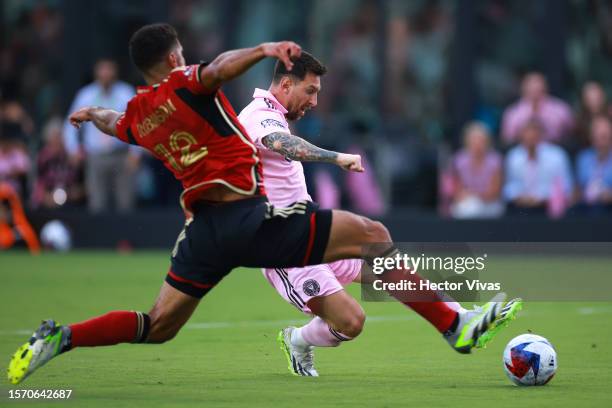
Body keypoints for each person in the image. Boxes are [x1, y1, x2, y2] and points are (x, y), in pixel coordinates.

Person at [8, 23, 521, 385]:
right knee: (373, 237)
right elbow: (247, 107)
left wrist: (94, 112)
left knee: (157, 325)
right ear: (172, 60)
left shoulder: (139, 116)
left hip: (204, 234)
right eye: (184, 54)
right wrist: (262, 49)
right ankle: (455, 328)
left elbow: (113, 123)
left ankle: (63, 337)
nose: (190, 61)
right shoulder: (192, 86)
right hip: (254, 222)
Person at [62, 58, 138, 213]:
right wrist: (73, 149)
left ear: (115, 72)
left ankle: (126, 237)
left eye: (109, 70)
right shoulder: (86, 95)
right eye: (102, 70)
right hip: (96, 156)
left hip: (121, 155)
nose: (105, 74)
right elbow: (69, 125)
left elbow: (138, 123)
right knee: (97, 204)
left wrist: (135, 153)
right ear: (96, 73)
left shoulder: (125, 93)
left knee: (126, 204)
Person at [504, 120, 573, 216]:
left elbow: (565, 186)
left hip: (549, 208)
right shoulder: (514, 156)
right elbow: (510, 186)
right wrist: (520, 197)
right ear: (521, 136)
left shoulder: (557, 155)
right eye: (527, 135)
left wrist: (541, 198)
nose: (531, 139)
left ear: (541, 135)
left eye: (534, 135)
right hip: (521, 208)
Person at [501, 72, 574, 145]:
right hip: (523, 152)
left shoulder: (561, 109)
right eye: (531, 86)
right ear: (523, 88)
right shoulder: (513, 113)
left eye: (538, 85)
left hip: (556, 149)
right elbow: (508, 139)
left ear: (545, 87)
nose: (535, 88)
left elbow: (571, 133)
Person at [450, 122, 504, 219]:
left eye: (481, 141)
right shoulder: (459, 160)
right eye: (474, 140)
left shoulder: (495, 160)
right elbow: (457, 191)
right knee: (467, 208)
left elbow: (494, 193)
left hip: (490, 204)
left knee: (474, 208)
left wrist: (473, 196)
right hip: (467, 203)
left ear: (487, 142)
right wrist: (468, 198)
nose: (477, 144)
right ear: (467, 142)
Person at [576, 116, 612, 213]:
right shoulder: (583, 158)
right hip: (587, 209)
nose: (601, 141)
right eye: (597, 136)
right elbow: (578, 188)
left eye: (604, 137)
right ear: (592, 138)